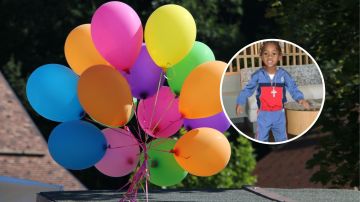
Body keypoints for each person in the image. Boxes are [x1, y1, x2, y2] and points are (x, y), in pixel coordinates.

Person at [236, 41, 310, 142]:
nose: (270, 57)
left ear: (279, 56)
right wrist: (240, 102)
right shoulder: (258, 75)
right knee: (261, 138)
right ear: (261, 56)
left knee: (282, 138)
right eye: (266, 53)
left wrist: (300, 99)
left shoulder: (284, 75)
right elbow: (248, 89)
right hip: (263, 114)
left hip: (279, 114)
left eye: (274, 53)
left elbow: (293, 88)